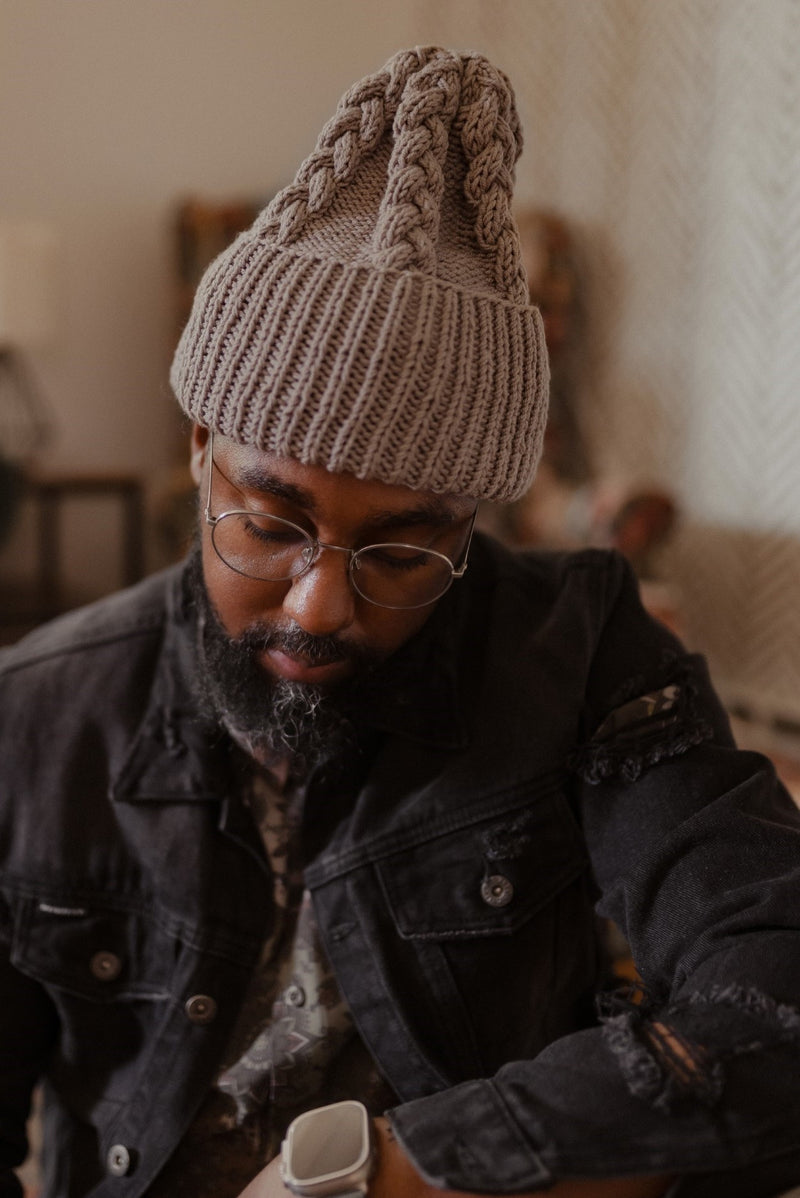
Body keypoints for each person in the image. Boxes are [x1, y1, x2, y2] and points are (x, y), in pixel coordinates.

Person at [1, 46, 799, 1198]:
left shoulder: (579, 651)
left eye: (400, 549)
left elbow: (772, 985)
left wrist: (402, 1168)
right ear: (200, 452)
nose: (318, 605)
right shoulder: (37, 711)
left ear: (470, 523)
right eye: (269, 524)